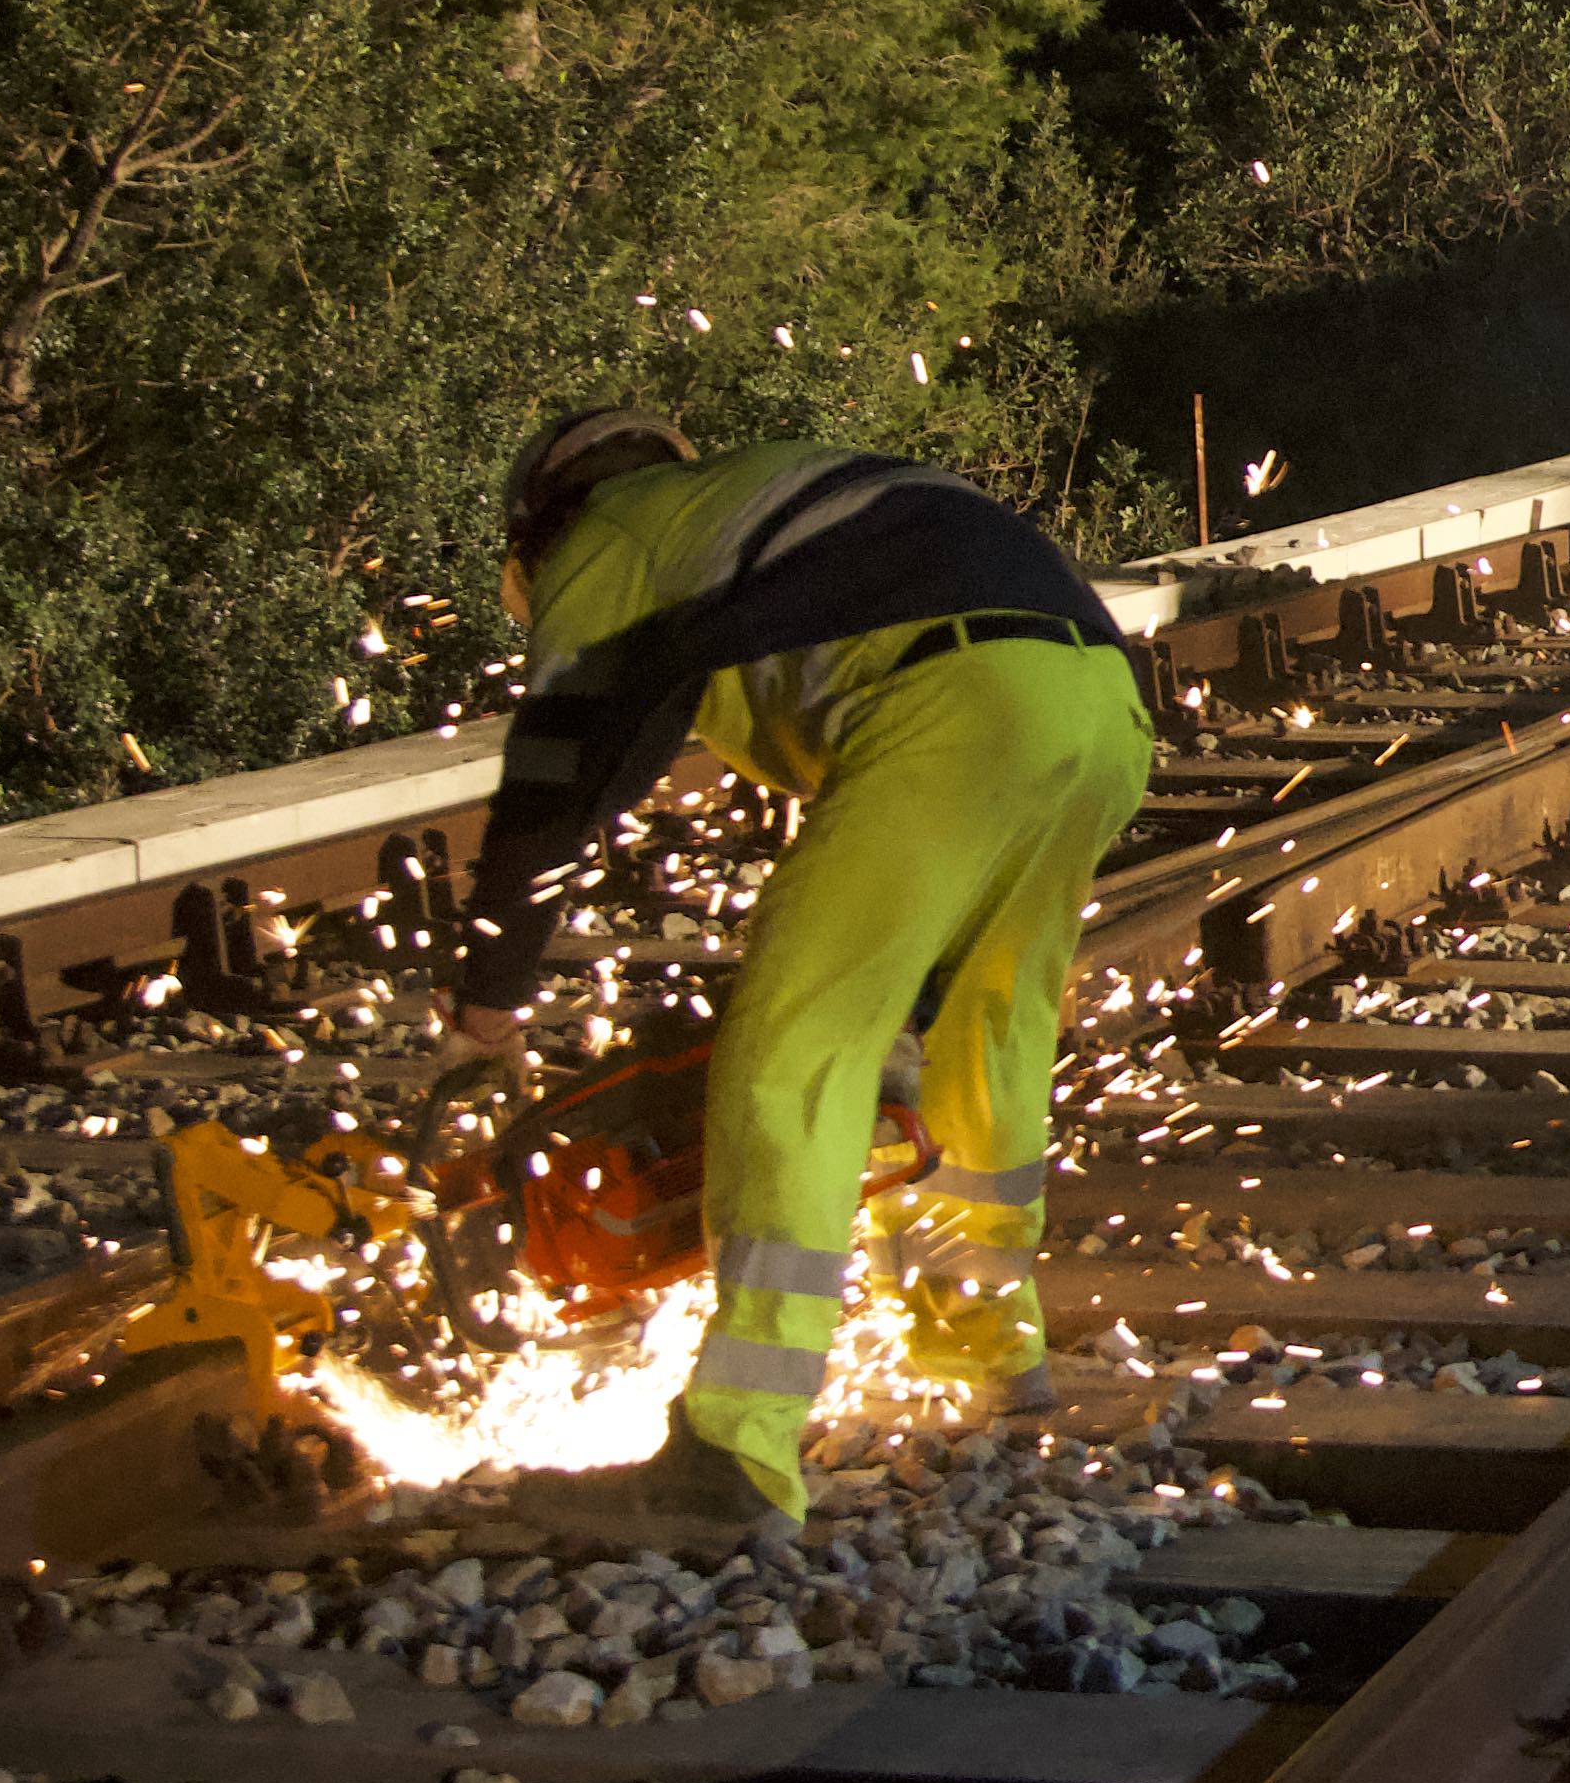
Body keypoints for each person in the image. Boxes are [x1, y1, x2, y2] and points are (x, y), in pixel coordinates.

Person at [442, 411, 1159, 1536]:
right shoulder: (751, 511)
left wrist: (490, 989)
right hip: (1097, 706)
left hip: (954, 711)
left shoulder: (606, 536)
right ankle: (990, 1354)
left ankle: (735, 1454)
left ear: (534, 537)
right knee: (987, 1035)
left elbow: (559, 765)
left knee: (790, 1052)